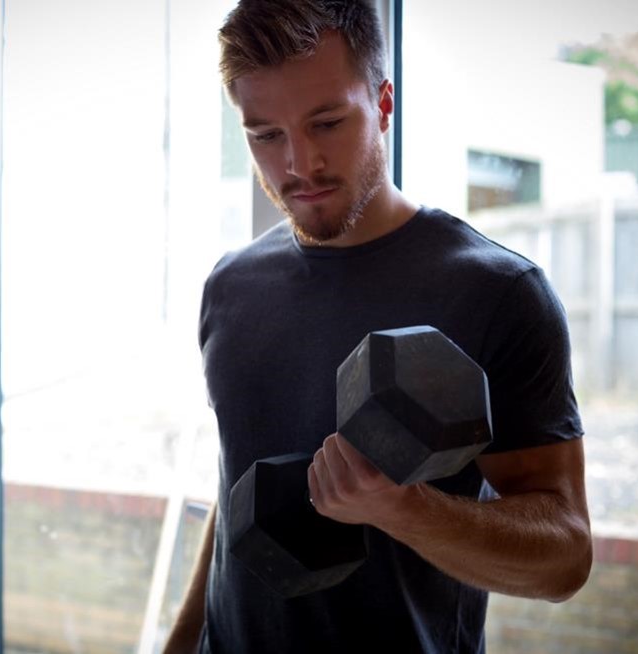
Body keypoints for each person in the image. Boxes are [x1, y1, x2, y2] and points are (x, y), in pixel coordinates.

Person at [164, 1, 592, 652]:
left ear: (383, 103)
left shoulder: (496, 293)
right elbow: (234, 499)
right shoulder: (230, 287)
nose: (298, 164)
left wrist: (404, 509)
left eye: (327, 122)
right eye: (265, 134)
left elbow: (563, 558)